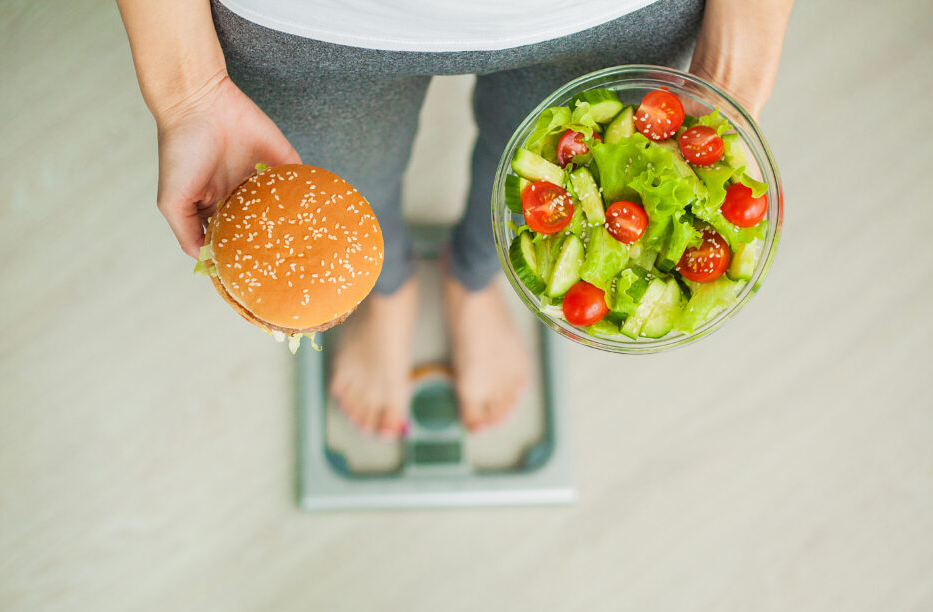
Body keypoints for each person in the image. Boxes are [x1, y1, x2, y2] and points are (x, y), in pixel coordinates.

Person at [117, 0, 792, 437]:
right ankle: (386, 291)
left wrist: (738, 57)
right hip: (302, 23)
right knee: (344, 188)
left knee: (540, 193)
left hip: (614, 11)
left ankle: (475, 279)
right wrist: (187, 89)